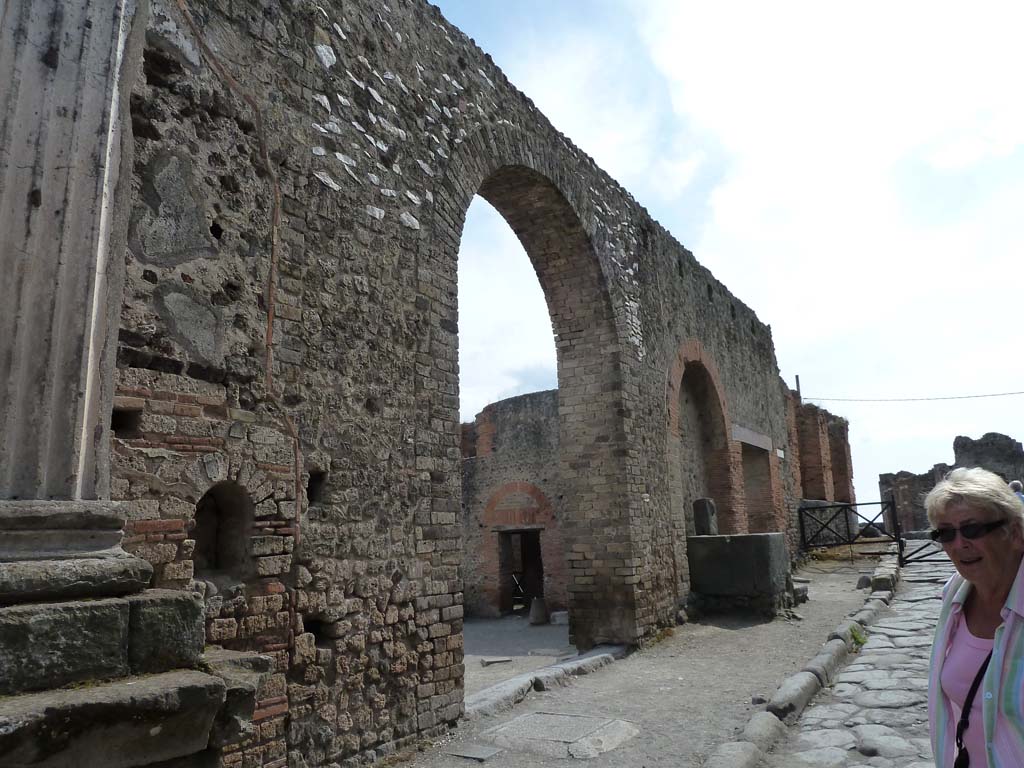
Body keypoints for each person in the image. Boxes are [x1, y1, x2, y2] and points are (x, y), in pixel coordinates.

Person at [927, 467, 1024, 767]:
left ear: (1015, 533)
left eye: (972, 529)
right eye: (946, 533)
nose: (958, 544)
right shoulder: (954, 595)